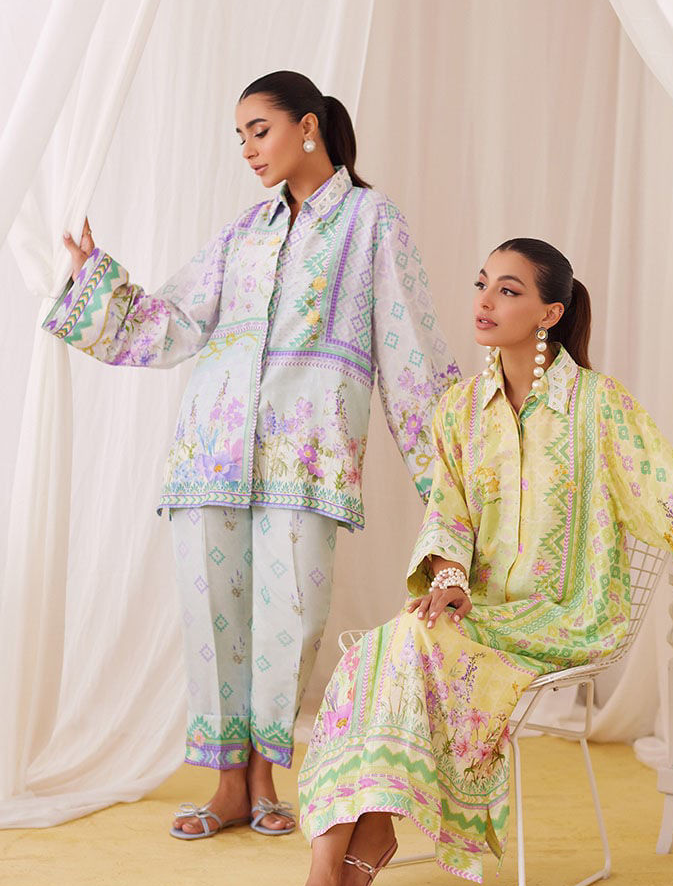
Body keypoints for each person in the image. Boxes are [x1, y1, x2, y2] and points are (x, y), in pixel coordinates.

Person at [244, 236, 673, 886]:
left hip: (571, 616)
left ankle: (334, 870)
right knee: (387, 647)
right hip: (481, 612)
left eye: (508, 290)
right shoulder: (459, 411)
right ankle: (344, 854)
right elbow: (447, 519)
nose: (485, 300)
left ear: (550, 312)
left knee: (401, 644)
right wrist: (448, 581)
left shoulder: (599, 407)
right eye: (483, 283)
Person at [43, 71, 459, 839]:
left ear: (308, 126)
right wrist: (93, 277)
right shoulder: (247, 231)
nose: (247, 149)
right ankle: (228, 784)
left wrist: (455, 480)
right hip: (211, 448)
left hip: (307, 456)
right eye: (239, 136)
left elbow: (410, 354)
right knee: (212, 617)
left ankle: (265, 776)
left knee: (290, 620)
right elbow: (173, 322)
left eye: (258, 130)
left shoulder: (371, 221)